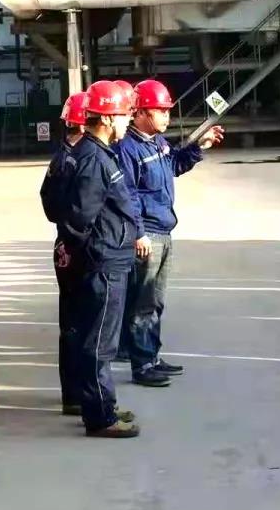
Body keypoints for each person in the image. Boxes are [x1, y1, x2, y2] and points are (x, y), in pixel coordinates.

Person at [117, 80, 224, 388]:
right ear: (140, 113)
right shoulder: (128, 149)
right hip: (148, 233)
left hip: (164, 229)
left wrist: (198, 147)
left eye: (167, 111)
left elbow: (174, 164)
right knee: (143, 302)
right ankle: (142, 364)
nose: (166, 116)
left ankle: (151, 355)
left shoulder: (158, 143)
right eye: (160, 111)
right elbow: (128, 195)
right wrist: (138, 233)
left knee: (155, 300)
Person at [58, 81, 141, 437]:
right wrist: (87, 255)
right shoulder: (95, 160)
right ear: (106, 118)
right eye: (123, 115)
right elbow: (78, 218)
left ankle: (101, 403)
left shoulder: (98, 153)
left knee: (98, 338)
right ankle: (100, 416)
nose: (128, 121)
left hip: (108, 257)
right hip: (103, 261)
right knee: (100, 343)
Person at [40, 92, 94, 416]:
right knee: (80, 323)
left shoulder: (63, 156)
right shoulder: (78, 160)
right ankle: (78, 394)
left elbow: (48, 203)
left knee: (72, 321)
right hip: (77, 247)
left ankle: (73, 394)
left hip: (65, 245)